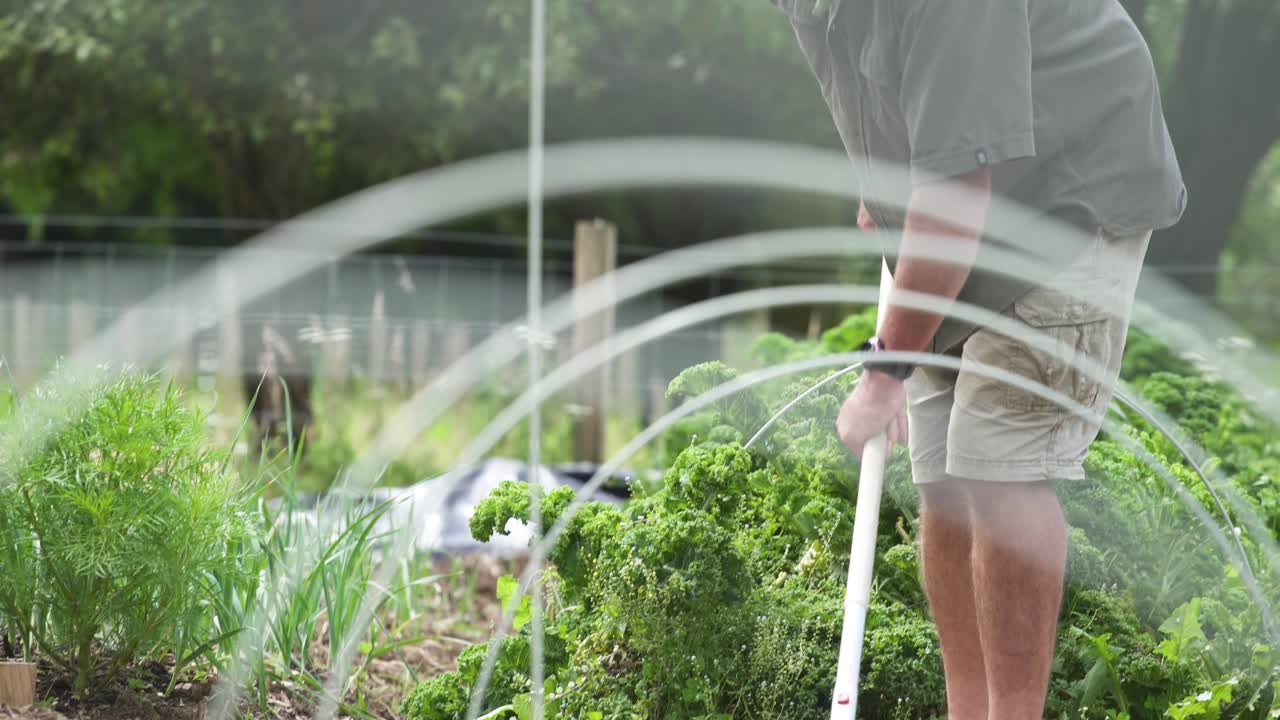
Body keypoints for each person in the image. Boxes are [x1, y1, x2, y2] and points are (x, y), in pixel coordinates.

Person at [772, 0, 1187, 717]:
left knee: (998, 469)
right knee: (942, 475)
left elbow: (956, 197)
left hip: (1072, 185)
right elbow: (857, 88)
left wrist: (882, 370)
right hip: (966, 186)